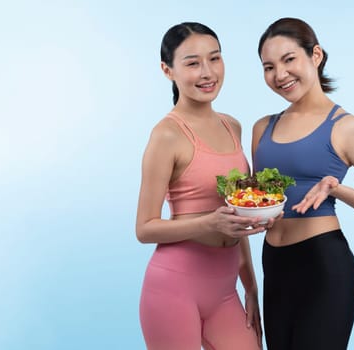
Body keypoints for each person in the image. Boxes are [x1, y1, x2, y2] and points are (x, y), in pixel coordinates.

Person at [252, 17, 354, 349]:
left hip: (323, 267)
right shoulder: (262, 128)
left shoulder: (348, 127)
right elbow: (255, 200)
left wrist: (336, 189)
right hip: (274, 266)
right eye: (269, 66)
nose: (280, 74)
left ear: (315, 55)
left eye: (289, 59)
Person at [136, 22, 268, 350]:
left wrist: (250, 288)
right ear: (168, 71)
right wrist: (209, 222)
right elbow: (144, 228)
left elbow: (236, 215)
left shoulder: (231, 126)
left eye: (215, 59)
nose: (208, 72)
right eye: (193, 63)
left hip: (225, 291)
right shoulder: (167, 135)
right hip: (173, 288)